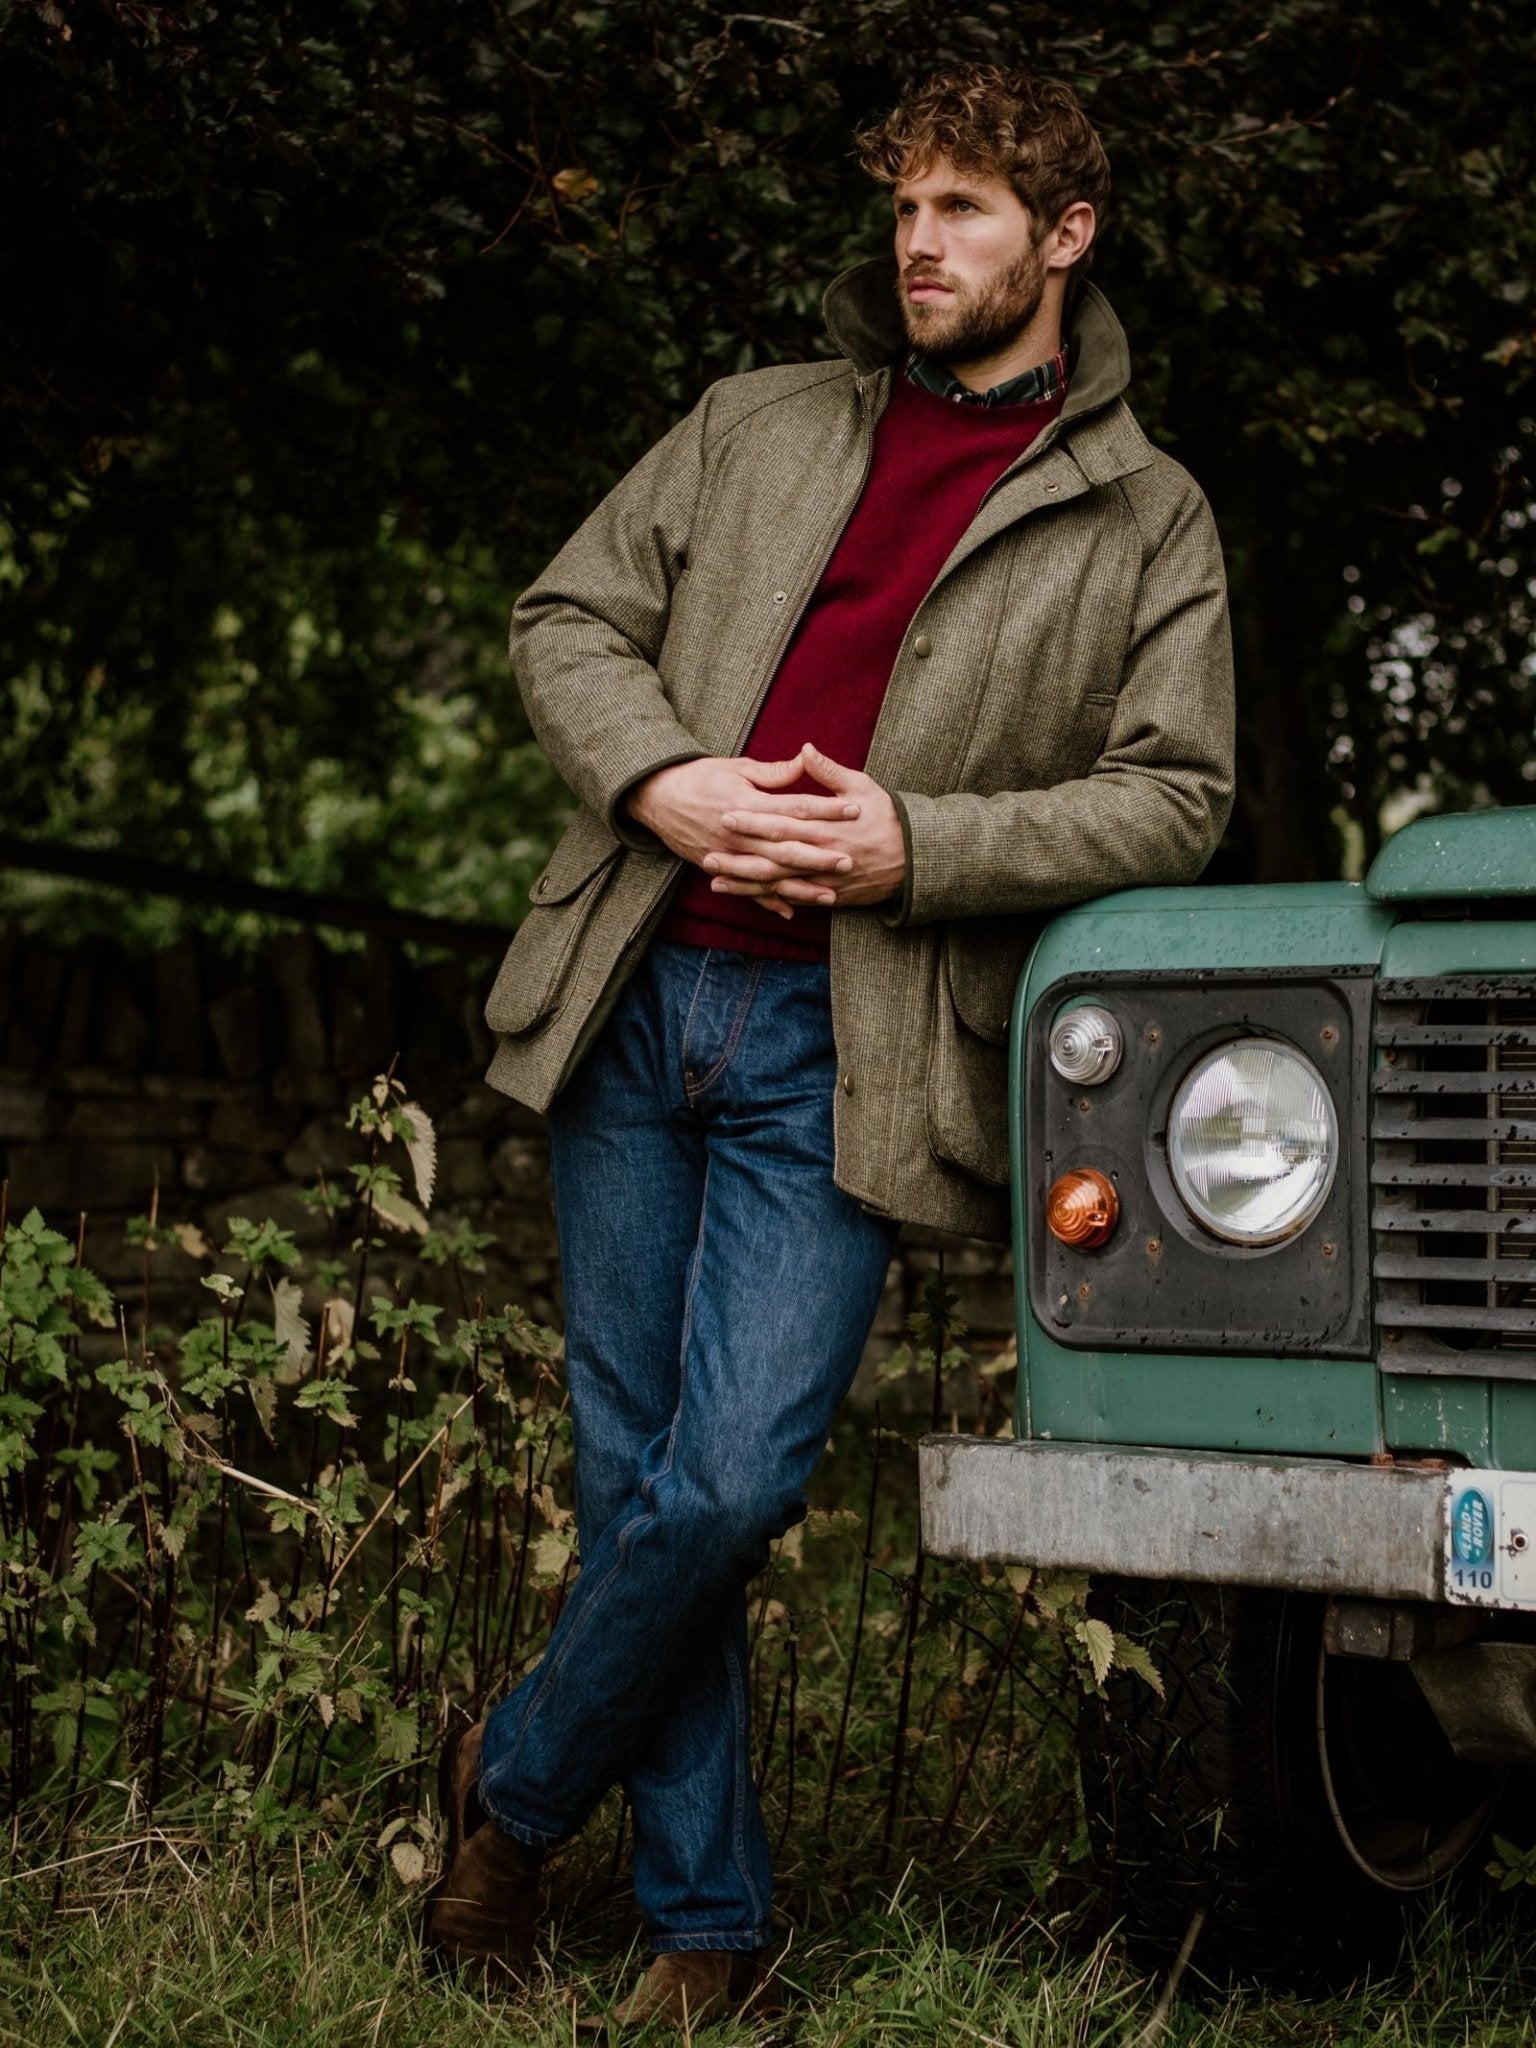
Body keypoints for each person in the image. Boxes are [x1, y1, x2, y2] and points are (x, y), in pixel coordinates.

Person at [424, 61, 1234, 2032]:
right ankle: (713, 1935)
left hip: (850, 1040)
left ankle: (505, 1788)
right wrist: (672, 781)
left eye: (963, 210)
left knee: (728, 1486)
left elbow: (1178, 797)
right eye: (904, 206)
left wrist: (919, 844)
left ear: (1065, 236)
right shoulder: (755, 423)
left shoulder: (1145, 511)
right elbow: (565, 620)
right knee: (639, 1488)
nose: (917, 240)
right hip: (633, 993)